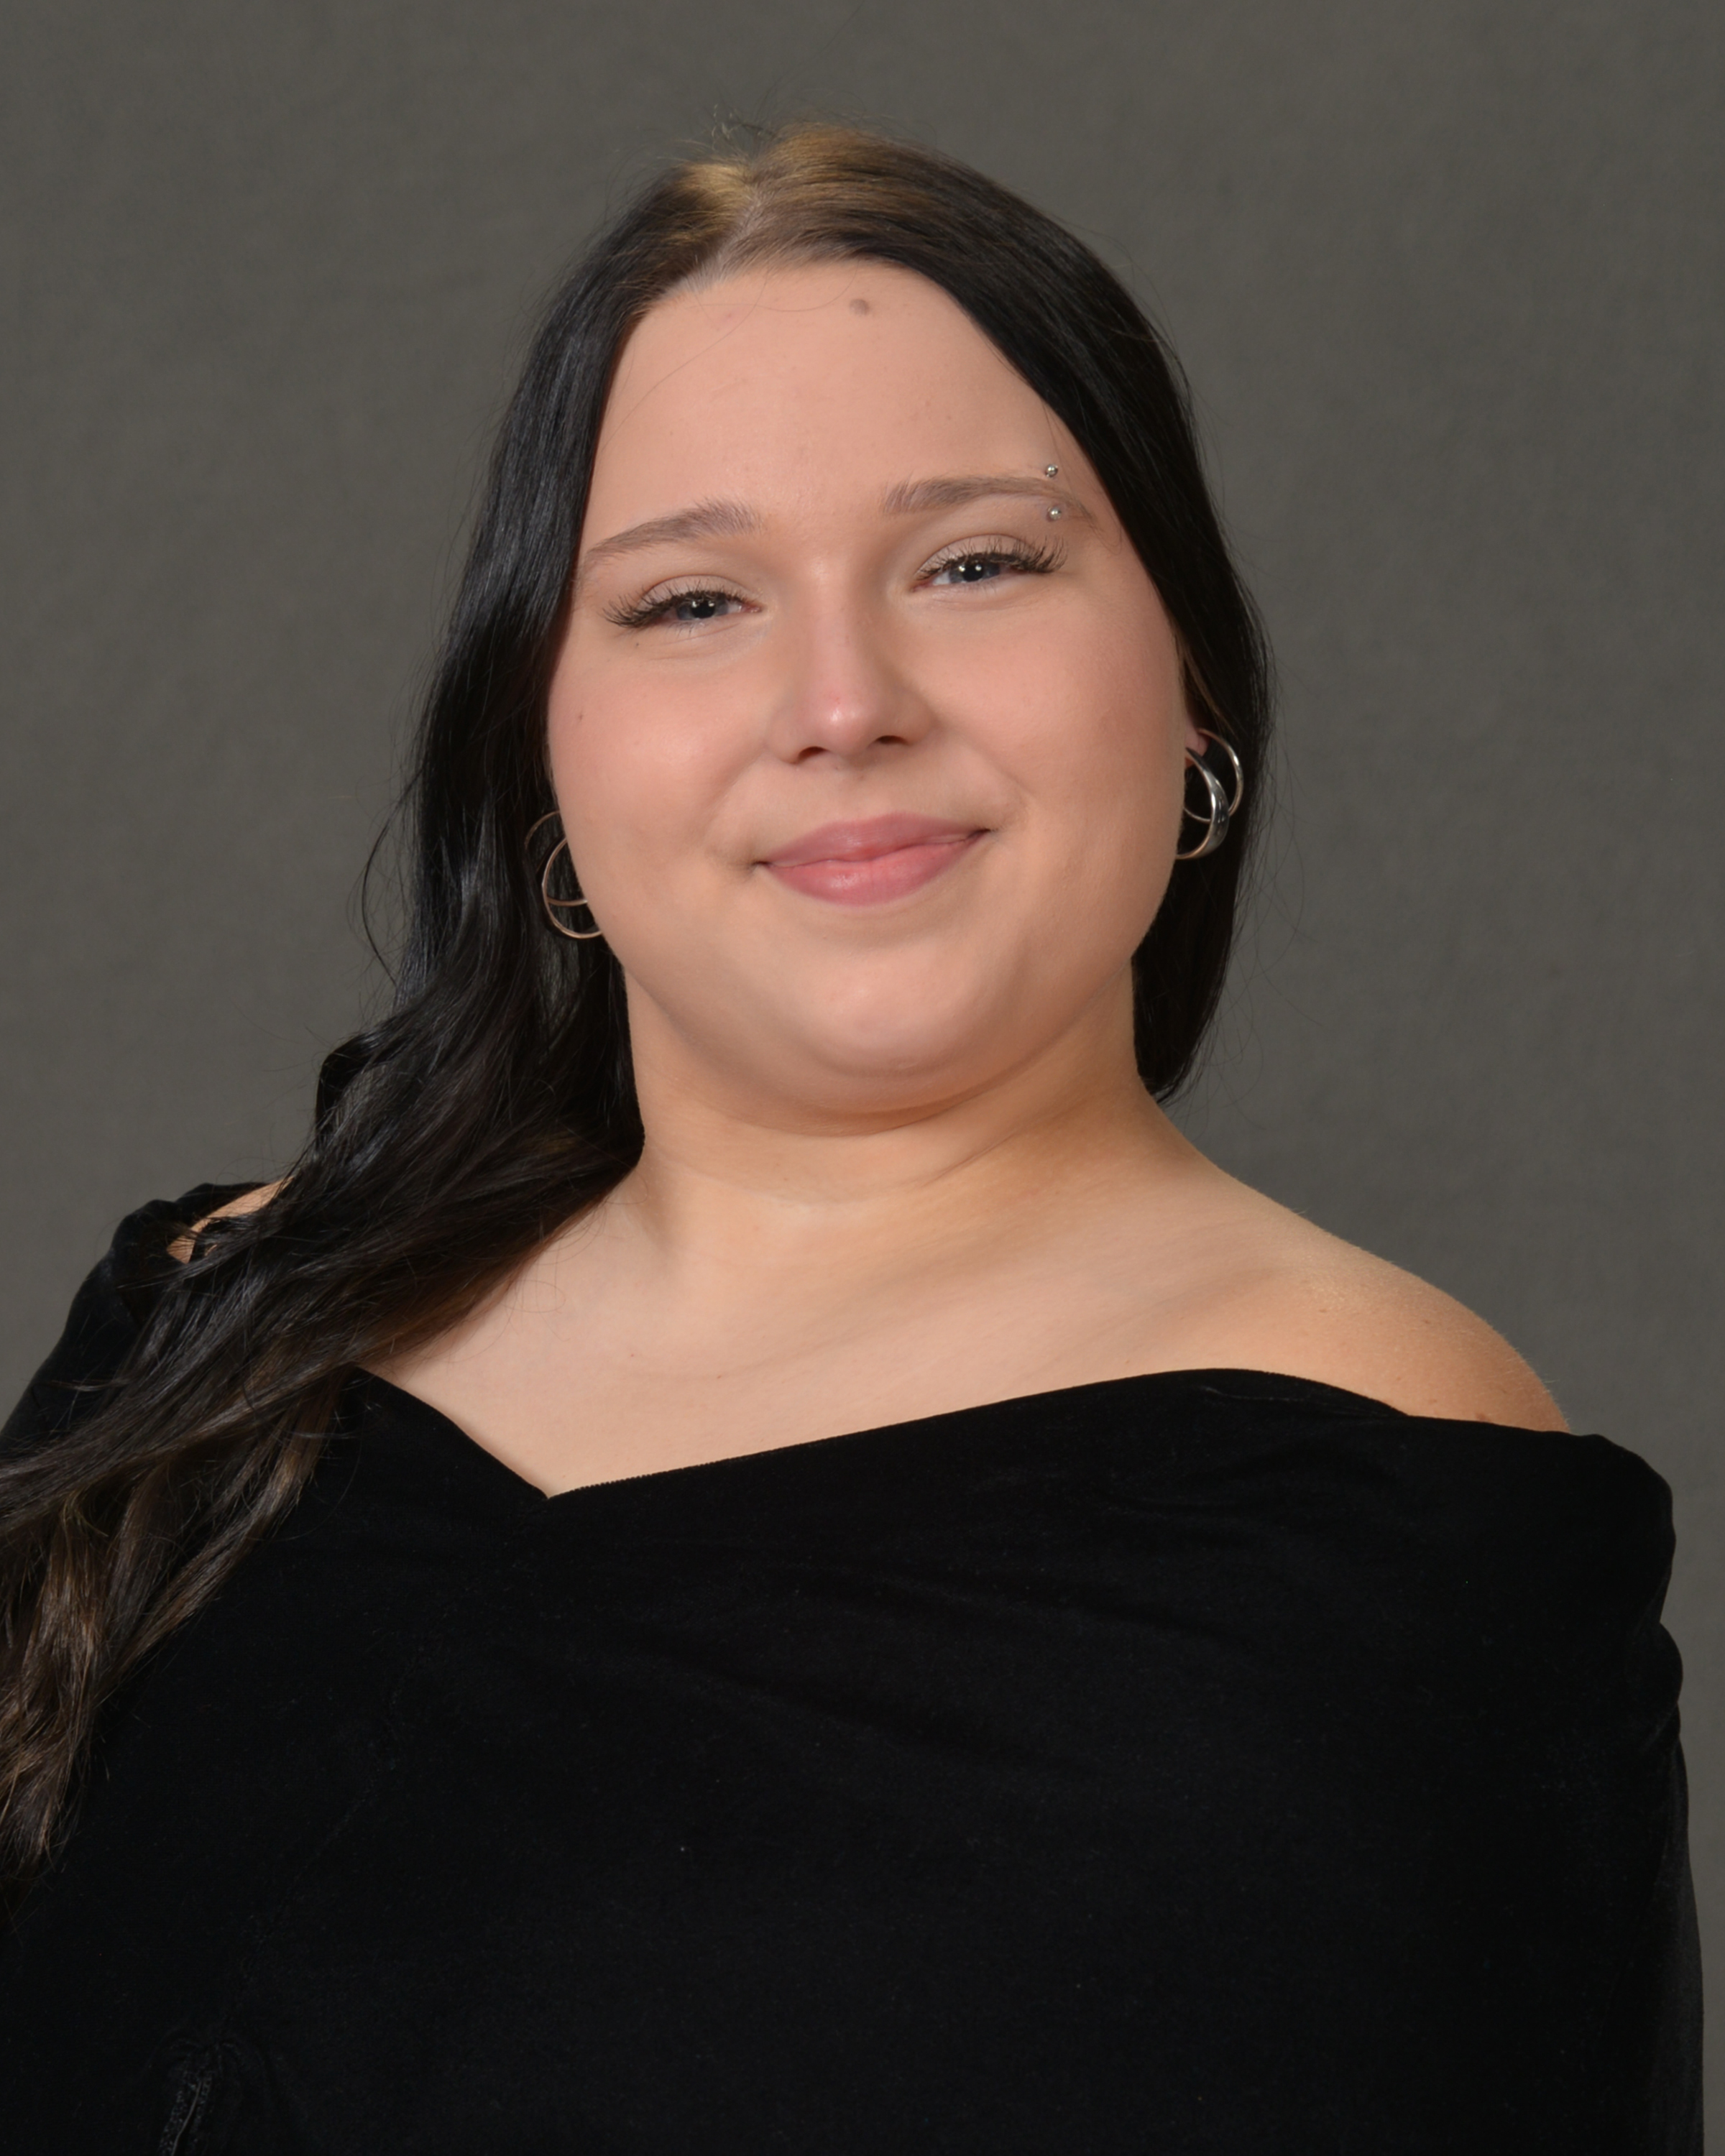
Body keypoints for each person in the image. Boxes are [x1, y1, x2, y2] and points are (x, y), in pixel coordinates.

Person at [0, 123, 1698, 2152]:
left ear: (1191, 690)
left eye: (975, 563)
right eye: (692, 598)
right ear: (545, 759)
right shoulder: (215, 1332)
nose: (841, 700)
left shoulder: (1387, 1499)